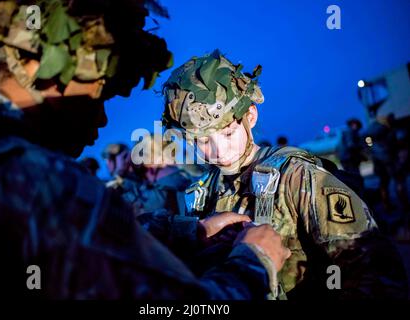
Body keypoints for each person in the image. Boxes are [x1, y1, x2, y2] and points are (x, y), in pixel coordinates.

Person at [0, 0, 290, 299]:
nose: (101, 119)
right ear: (35, 66)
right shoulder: (39, 181)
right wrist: (254, 263)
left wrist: (190, 231)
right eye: (99, 93)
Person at [159, 50, 408, 299]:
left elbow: (377, 274)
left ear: (250, 116)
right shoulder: (201, 191)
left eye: (227, 133)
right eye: (202, 141)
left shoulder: (297, 176)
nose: (219, 152)